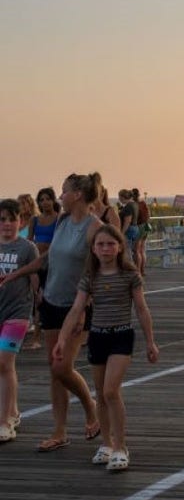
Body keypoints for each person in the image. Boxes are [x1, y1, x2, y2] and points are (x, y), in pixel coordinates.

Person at [53, 225, 158, 471]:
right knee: (100, 393)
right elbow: (76, 309)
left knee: (111, 391)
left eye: (110, 244)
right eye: (100, 244)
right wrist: (62, 340)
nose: (105, 249)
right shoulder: (90, 277)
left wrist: (151, 341)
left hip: (121, 335)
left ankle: (121, 446)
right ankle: (107, 443)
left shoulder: (130, 275)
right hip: (98, 337)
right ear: (93, 248)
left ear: (120, 246)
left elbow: (142, 309)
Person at [37, 172, 103, 452]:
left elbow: (100, 268)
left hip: (76, 307)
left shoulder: (94, 227)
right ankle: (60, 431)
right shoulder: (63, 221)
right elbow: (48, 257)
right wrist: (18, 273)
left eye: (63, 192)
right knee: (55, 371)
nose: (60, 196)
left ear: (77, 195)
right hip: (51, 301)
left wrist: (87, 306)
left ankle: (91, 407)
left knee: (63, 367)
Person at [0, 199, 40, 442]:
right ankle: (12, 410)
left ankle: (5, 422)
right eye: (2, 219)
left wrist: (40, 303)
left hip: (17, 313)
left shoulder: (27, 248)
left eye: (11, 219)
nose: (6, 224)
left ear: (20, 221)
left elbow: (35, 279)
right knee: (4, 367)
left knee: (4, 363)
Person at [25, 187, 60, 351]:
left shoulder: (59, 219)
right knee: (37, 298)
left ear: (53, 200)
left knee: (48, 298)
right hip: (36, 263)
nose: (45, 202)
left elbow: (60, 241)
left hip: (53, 264)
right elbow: (29, 241)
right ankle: (36, 338)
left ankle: (48, 334)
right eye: (41, 199)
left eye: (47, 199)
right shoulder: (34, 220)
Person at [131, 188, 152, 274]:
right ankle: (142, 270)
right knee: (142, 250)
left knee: (136, 250)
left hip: (139, 226)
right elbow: (149, 215)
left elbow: (134, 218)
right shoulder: (143, 203)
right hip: (146, 226)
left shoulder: (134, 205)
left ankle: (138, 271)